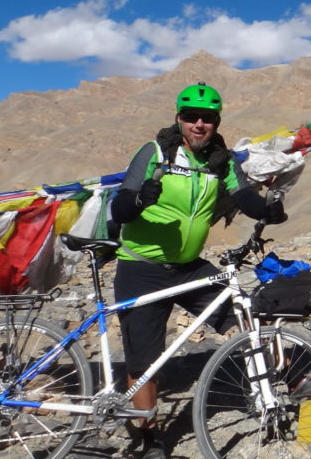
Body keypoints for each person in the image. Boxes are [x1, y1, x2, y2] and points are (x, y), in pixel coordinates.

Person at [111, 82, 285, 459]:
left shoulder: (220, 160)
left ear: (216, 122)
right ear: (179, 119)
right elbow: (120, 205)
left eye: (207, 118)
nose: (199, 124)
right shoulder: (155, 152)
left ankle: (277, 388)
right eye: (191, 117)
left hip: (189, 268)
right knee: (144, 363)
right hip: (142, 267)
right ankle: (147, 437)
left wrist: (267, 211)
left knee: (244, 316)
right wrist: (140, 200)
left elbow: (243, 197)